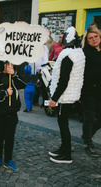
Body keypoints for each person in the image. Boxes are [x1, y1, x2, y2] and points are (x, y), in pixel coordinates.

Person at [48, 26, 85, 164]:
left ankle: (66, 154)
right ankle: (63, 149)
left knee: (63, 124)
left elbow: (63, 81)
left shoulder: (68, 55)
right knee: (63, 123)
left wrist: (54, 98)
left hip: (65, 96)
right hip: (70, 94)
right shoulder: (78, 53)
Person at [0, 59, 26, 172]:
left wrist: (14, 75)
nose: (9, 66)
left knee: (10, 138)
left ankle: (8, 159)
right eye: (6, 64)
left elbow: (23, 85)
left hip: (11, 114)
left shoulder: (12, 77)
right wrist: (5, 93)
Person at [80, 26, 101, 158]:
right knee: (90, 117)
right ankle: (88, 142)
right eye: (90, 38)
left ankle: (87, 135)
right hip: (89, 90)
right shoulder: (85, 52)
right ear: (86, 41)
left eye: (96, 37)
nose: (93, 40)